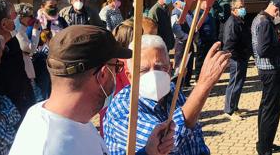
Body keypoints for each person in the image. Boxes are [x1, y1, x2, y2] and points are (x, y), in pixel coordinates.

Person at [10, 25, 175, 155]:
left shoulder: (73, 118)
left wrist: (148, 152)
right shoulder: (51, 146)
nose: (118, 74)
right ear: (103, 74)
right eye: (117, 67)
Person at [105, 35, 229, 155]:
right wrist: (204, 84)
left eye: (160, 67)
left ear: (169, 69)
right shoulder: (123, 108)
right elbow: (166, 144)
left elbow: (194, 139)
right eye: (143, 70)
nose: (154, 75)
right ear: (130, 76)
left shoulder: (173, 91)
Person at [252, 0, 280, 155]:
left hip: (267, 70)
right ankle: (264, 148)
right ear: (277, 10)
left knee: (266, 108)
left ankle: (265, 142)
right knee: (271, 110)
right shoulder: (265, 22)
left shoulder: (259, 18)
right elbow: (263, 49)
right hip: (271, 70)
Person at [223, 0, 251, 120]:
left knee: (239, 83)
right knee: (234, 83)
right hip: (237, 57)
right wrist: (235, 56)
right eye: (240, 7)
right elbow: (229, 43)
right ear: (233, 10)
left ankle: (235, 106)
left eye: (243, 6)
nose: (243, 9)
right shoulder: (232, 23)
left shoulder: (240, 20)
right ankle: (229, 110)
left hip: (242, 56)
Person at [14, 3, 42, 101]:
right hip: (23, 68)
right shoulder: (18, 31)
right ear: (21, 17)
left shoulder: (21, 29)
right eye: (29, 16)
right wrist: (35, 30)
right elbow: (30, 48)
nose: (31, 18)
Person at [187, 1, 217, 82]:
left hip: (210, 40)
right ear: (201, 3)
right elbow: (195, 27)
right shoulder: (197, 13)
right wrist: (198, 40)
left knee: (209, 59)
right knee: (201, 60)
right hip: (202, 40)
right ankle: (198, 77)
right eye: (207, 3)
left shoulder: (208, 13)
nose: (209, 5)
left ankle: (207, 76)